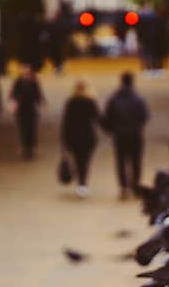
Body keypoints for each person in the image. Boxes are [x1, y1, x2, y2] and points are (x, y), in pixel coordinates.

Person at [102, 72, 149, 200]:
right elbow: (144, 116)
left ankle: (123, 187)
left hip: (120, 134)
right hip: (135, 133)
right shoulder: (138, 98)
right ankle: (135, 185)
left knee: (121, 161)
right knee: (136, 161)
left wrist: (110, 129)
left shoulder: (114, 98)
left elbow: (108, 117)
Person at [61, 80, 101, 198]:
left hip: (73, 136)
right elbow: (97, 118)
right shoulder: (90, 101)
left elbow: (66, 122)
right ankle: (83, 184)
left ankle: (80, 181)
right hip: (88, 136)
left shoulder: (70, 102)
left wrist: (64, 139)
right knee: (85, 160)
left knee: (77, 159)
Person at [9, 65, 45, 159]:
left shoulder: (34, 81)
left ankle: (32, 147)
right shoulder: (18, 81)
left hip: (31, 109)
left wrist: (41, 104)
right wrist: (14, 105)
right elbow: (13, 94)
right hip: (21, 109)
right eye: (24, 71)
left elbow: (38, 94)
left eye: (27, 72)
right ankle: (24, 147)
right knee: (22, 128)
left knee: (32, 128)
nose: (26, 73)